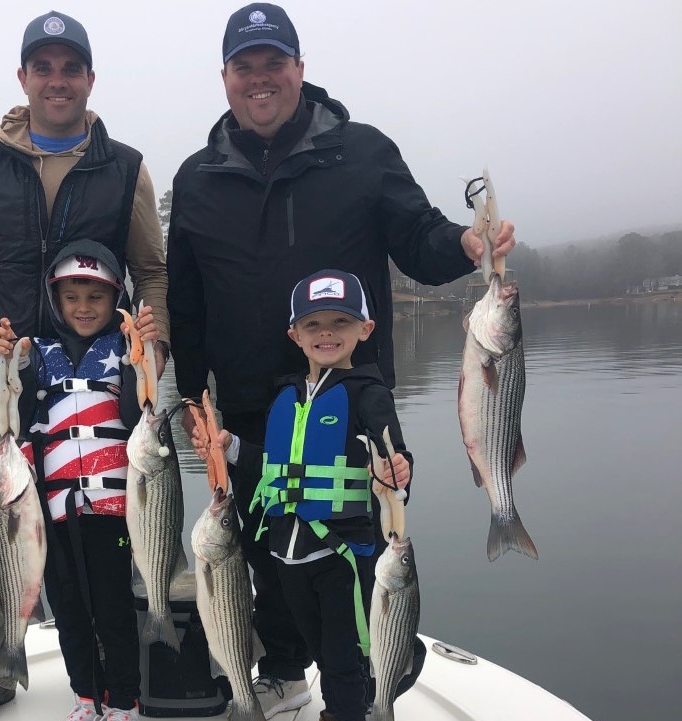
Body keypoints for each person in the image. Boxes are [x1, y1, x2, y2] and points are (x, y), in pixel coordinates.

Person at [166, 4, 515, 717]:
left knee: (356, 553)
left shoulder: (362, 152)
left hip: (349, 399)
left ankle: (365, 682)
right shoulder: (197, 176)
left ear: (299, 70)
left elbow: (416, 234)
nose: (259, 81)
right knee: (266, 548)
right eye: (244, 68)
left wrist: (464, 246)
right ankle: (286, 670)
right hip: (242, 400)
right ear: (225, 78)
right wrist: (191, 400)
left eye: (273, 65)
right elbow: (187, 300)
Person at [0, 11, 169, 721]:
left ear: (89, 79)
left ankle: (124, 663)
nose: (57, 80)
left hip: (98, 378)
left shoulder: (125, 167)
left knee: (112, 525)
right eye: (43, 67)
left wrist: (151, 356)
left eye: (70, 68)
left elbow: (151, 270)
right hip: (2, 377)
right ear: (22, 77)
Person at [194, 269, 414, 720]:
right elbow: (273, 465)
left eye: (340, 322)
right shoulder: (288, 394)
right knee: (313, 645)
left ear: (365, 329)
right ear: (295, 334)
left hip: (340, 556)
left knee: (340, 657)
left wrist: (396, 470)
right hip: (287, 555)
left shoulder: (369, 394)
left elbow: (394, 456)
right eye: (313, 324)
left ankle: (349, 709)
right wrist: (230, 447)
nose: (326, 333)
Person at [0, 242, 158, 721]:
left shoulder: (124, 351)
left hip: (111, 509)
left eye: (96, 297)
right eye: (72, 297)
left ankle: (124, 700)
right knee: (69, 611)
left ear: (115, 300)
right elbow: (17, 420)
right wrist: (9, 362)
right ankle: (86, 695)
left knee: (114, 610)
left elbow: (135, 415)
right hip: (53, 510)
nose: (84, 308)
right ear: (56, 301)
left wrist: (140, 362)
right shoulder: (36, 353)